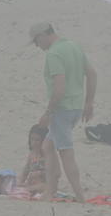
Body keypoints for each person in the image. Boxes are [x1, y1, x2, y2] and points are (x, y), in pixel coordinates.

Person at [29, 21, 96, 203]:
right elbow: (92, 74)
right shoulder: (73, 46)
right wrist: (89, 102)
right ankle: (51, 190)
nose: (37, 46)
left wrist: (48, 112)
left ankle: (80, 195)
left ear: (43, 36)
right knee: (47, 146)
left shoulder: (54, 54)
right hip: (76, 107)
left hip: (62, 109)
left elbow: (59, 88)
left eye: (36, 41)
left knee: (66, 152)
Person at [18, 124, 50, 198]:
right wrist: (20, 181)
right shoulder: (32, 154)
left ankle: (29, 191)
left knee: (44, 187)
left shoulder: (48, 155)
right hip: (31, 183)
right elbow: (26, 170)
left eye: (37, 140)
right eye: (32, 139)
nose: (34, 142)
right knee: (20, 186)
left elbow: (52, 173)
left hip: (43, 184)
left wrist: (40, 173)